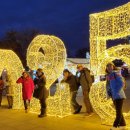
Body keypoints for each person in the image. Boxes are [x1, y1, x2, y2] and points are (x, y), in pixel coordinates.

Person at [106, 63, 126, 130]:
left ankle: (115, 126)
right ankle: (123, 125)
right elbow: (108, 86)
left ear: (113, 67)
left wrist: (116, 91)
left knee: (118, 112)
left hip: (119, 96)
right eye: (107, 67)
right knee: (119, 111)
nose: (109, 68)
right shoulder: (109, 75)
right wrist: (109, 94)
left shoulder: (116, 73)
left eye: (110, 66)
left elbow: (121, 83)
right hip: (114, 96)